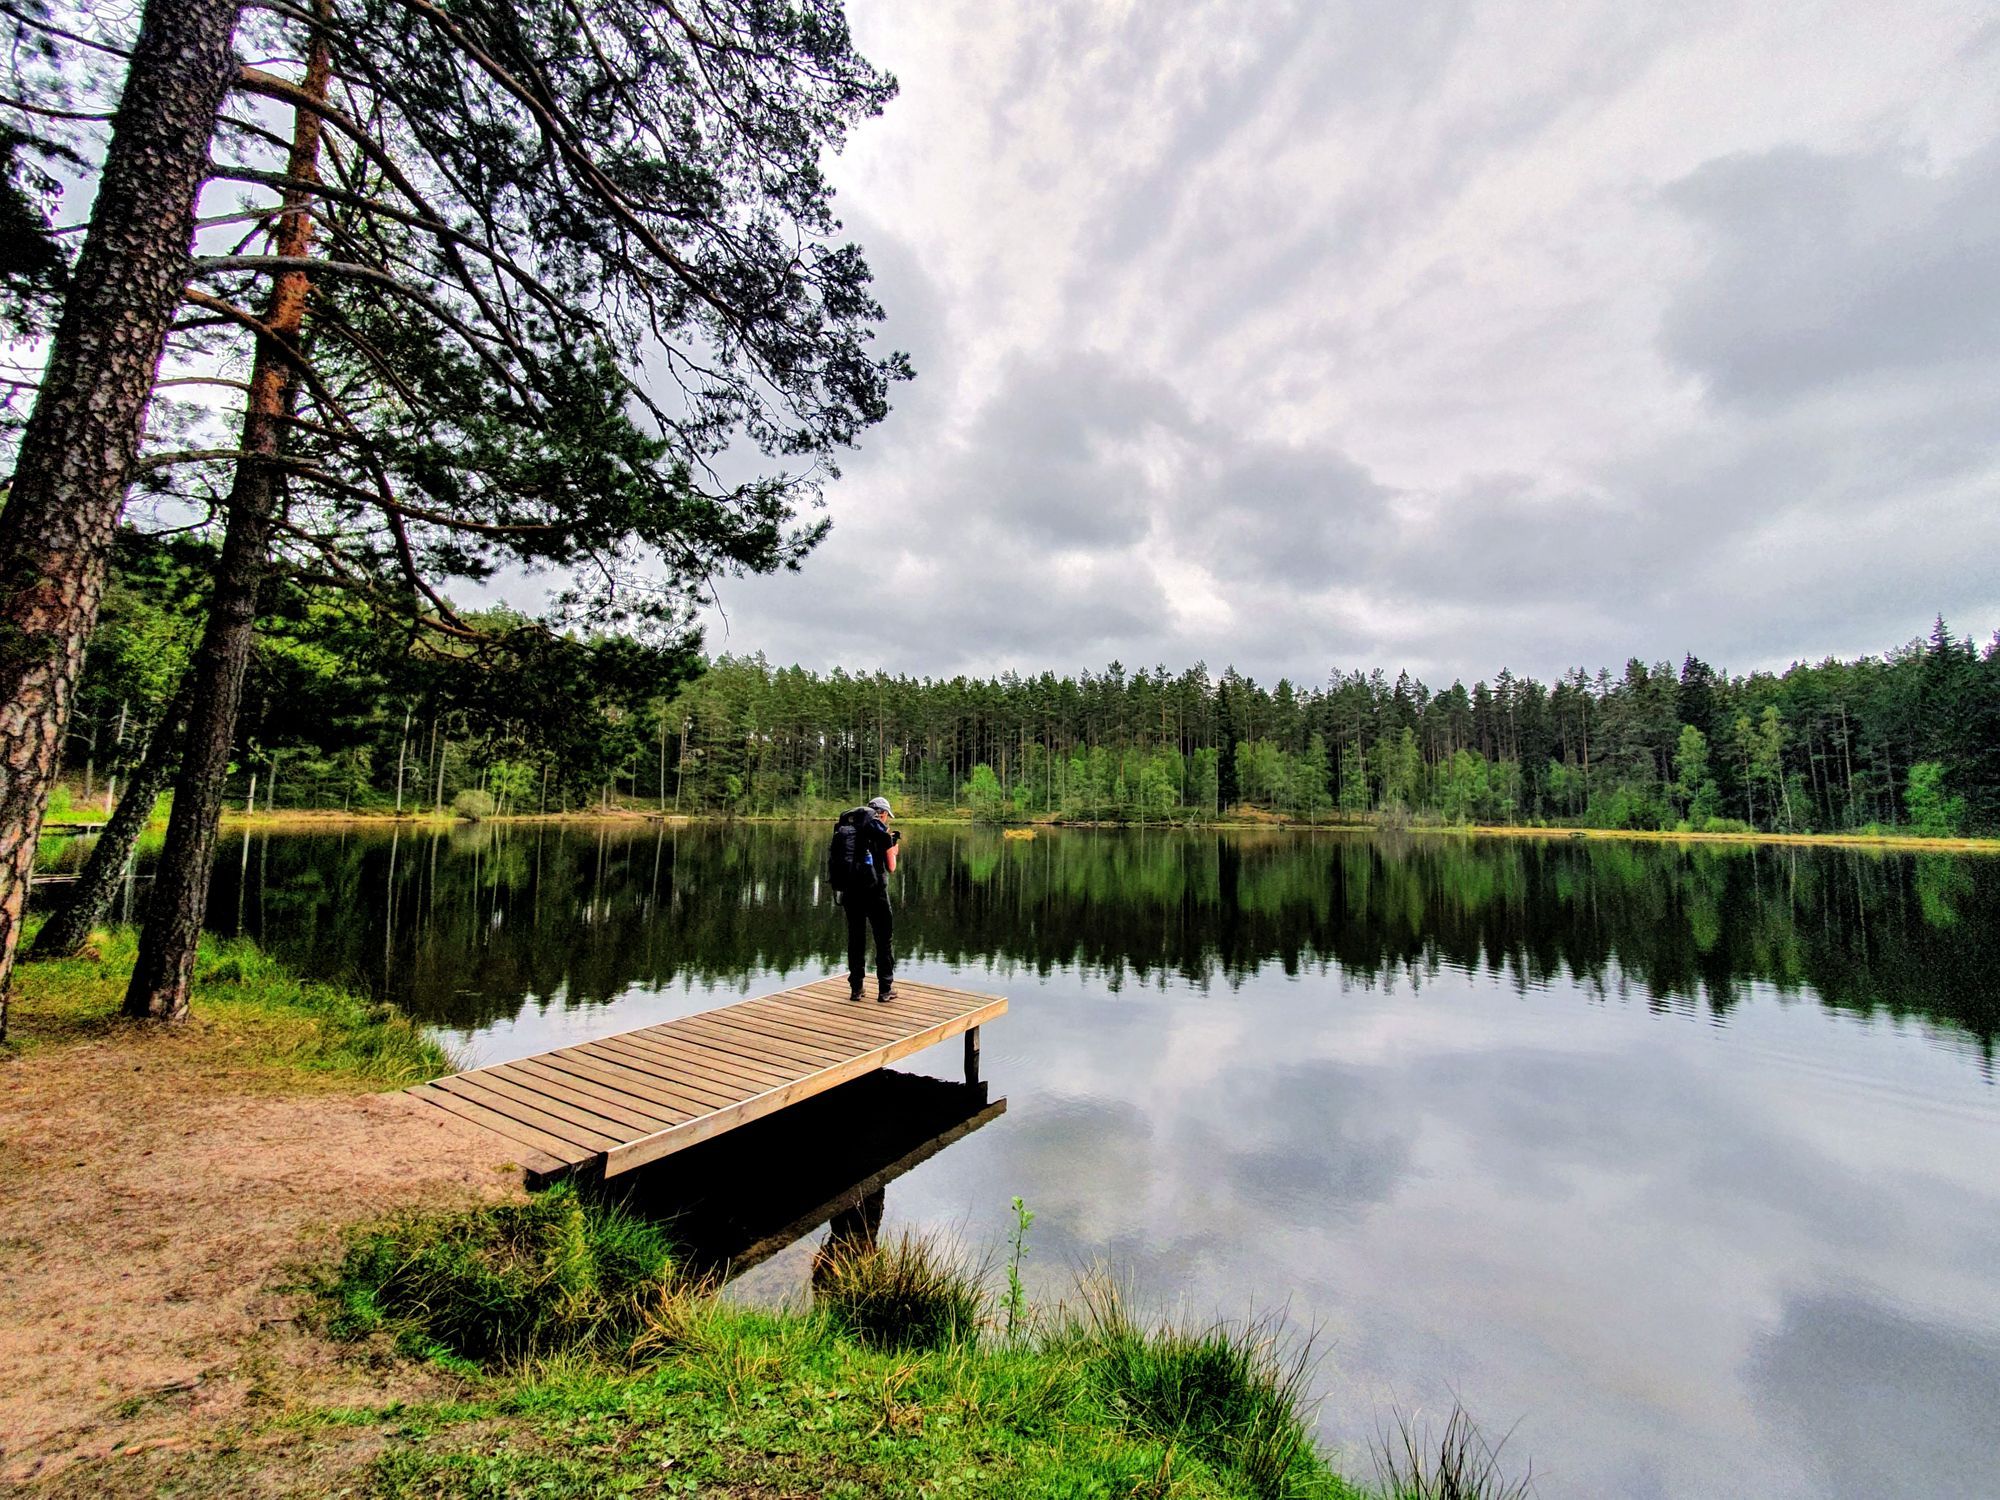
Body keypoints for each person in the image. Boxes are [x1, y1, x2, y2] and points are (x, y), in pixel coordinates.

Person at [839, 795, 900, 1002]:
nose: (886, 820)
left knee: (856, 939)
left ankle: (856, 989)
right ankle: (885, 989)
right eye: (886, 816)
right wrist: (894, 850)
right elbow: (891, 867)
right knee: (884, 939)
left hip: (851, 893)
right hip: (876, 894)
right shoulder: (881, 833)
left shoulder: (850, 831)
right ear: (881, 813)